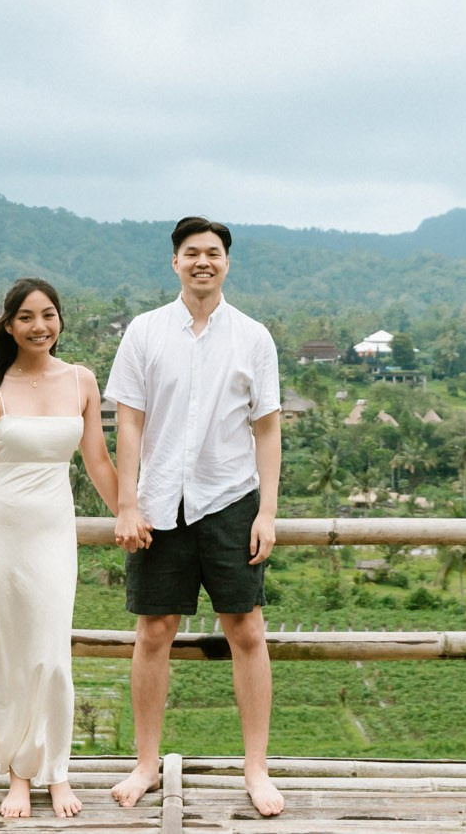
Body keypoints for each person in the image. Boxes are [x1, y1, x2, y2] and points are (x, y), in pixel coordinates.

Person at [107, 217, 286, 816]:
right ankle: (146, 765)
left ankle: (256, 769)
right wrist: (127, 501)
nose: (202, 261)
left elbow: (267, 428)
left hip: (231, 500)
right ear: (175, 262)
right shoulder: (145, 331)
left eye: (213, 253)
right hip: (159, 504)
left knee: (247, 631)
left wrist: (268, 510)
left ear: (227, 263)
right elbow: (127, 419)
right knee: (154, 633)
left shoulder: (253, 338)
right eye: (191, 253)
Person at [0, 278, 119, 819]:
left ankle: (57, 771)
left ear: (60, 319)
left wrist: (129, 515)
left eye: (48, 314)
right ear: (9, 325)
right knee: (8, 655)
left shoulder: (82, 381)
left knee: (49, 653)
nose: (39, 326)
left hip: (51, 531)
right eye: (26, 317)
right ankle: (21, 774)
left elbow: (97, 462)